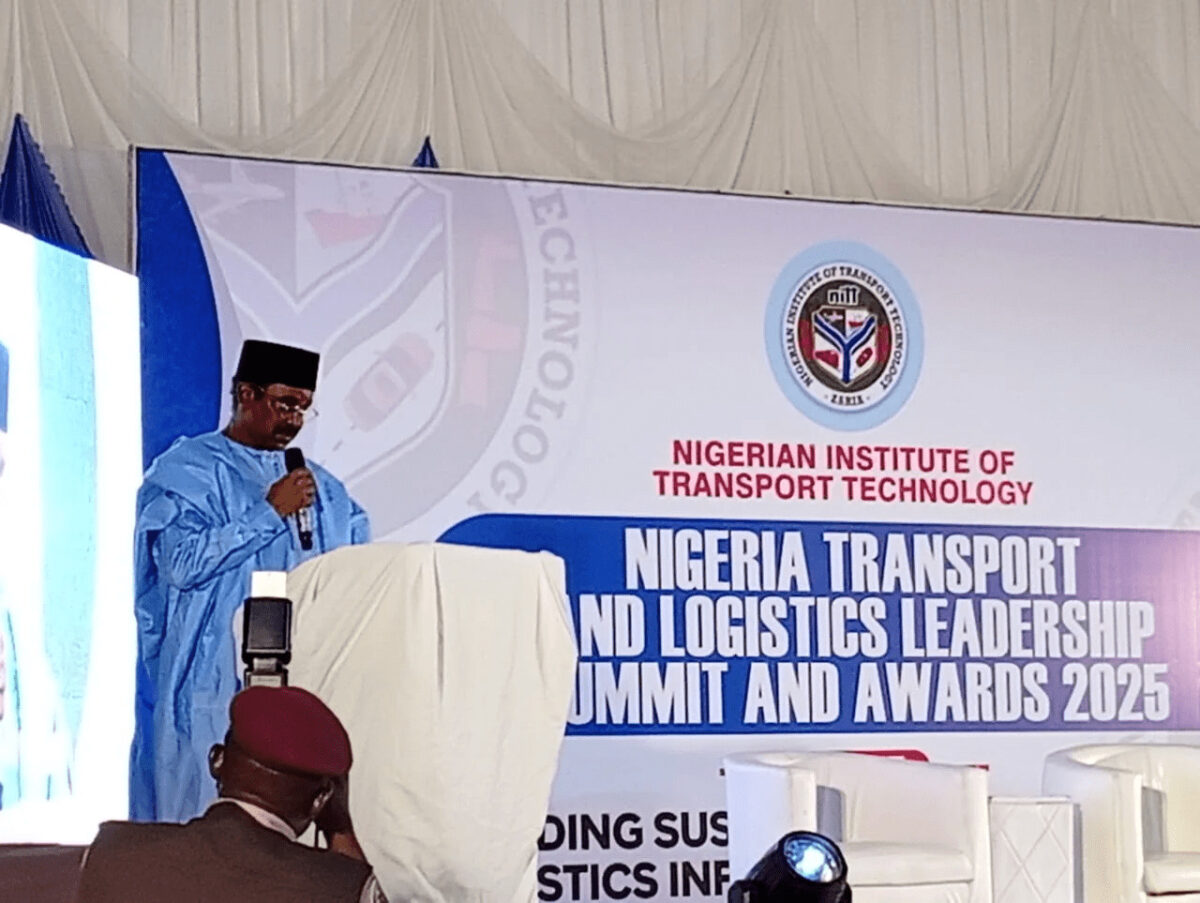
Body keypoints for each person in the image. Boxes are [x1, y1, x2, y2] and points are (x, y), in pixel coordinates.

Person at [132, 340, 370, 822]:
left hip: (300, 684)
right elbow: (182, 565)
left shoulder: (324, 490)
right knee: (201, 827)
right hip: (209, 685)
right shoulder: (188, 471)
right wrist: (268, 512)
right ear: (246, 394)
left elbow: (353, 580)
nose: (294, 419)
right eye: (285, 404)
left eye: (303, 408)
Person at [76, 686, 387, 903]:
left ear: (217, 760)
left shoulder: (110, 852)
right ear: (321, 800)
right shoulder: (342, 887)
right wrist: (339, 829)